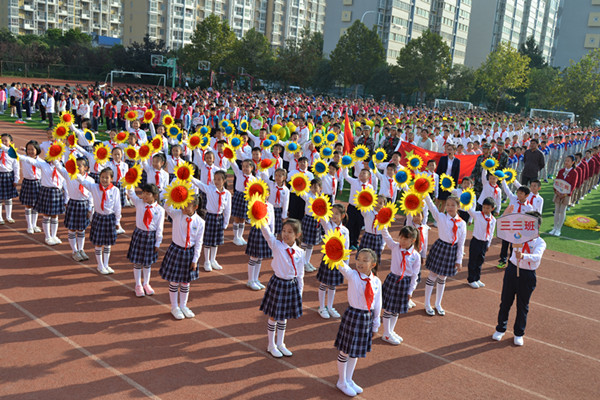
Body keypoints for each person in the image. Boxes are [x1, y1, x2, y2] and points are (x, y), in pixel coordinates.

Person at [492, 211, 546, 346]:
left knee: (522, 306)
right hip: (512, 270)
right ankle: (500, 328)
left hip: (527, 275)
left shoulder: (540, 242)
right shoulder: (518, 236)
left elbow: (537, 257)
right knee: (505, 301)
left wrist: (523, 255)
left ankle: (518, 333)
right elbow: (503, 229)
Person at [334, 248, 382, 397]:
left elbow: (378, 302)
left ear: (373, 264)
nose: (360, 262)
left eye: (365, 260)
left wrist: (376, 322)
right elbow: (341, 264)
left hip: (366, 317)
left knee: (355, 351)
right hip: (353, 315)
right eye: (358, 259)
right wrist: (333, 249)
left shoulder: (376, 281)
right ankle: (341, 381)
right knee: (345, 349)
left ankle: (349, 379)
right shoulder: (353, 275)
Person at [259, 219, 305, 358]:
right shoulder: (277, 246)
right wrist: (260, 218)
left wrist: (300, 292)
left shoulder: (300, 252)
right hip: (278, 284)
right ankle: (271, 345)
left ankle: (281, 343)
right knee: (274, 315)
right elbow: (267, 233)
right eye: (284, 231)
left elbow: (300, 274)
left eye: (290, 232)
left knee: (284, 316)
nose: (285, 234)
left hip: (291, 285)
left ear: (297, 235)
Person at [159, 195, 204, 320]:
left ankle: (183, 305)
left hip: (189, 253)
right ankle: (174, 307)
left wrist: (195, 259)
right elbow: (167, 206)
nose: (184, 207)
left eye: (188, 204)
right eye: (183, 203)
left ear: (195, 207)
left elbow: (199, 242)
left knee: (185, 281)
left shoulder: (200, 222)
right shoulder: (177, 214)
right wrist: (175, 194)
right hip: (176, 250)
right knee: (174, 280)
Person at [423, 195, 466, 316]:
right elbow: (431, 206)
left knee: (443, 277)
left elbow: (461, 243)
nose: (450, 207)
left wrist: (459, 260)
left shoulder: (462, 224)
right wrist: (425, 193)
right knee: (432, 275)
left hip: (451, 251)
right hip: (441, 247)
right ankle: (427, 303)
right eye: (448, 205)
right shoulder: (441, 217)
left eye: (453, 205)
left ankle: (438, 304)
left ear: (458, 207)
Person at [380, 226, 421, 345]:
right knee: (388, 309)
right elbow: (386, 235)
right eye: (401, 238)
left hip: (404, 283)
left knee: (396, 310)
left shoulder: (415, 256)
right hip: (393, 280)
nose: (402, 241)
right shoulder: (395, 247)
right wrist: (383, 223)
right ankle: (386, 334)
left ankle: (390, 331)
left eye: (405, 239)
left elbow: (415, 276)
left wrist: (410, 291)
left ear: (413, 240)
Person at [77, 167, 121, 275]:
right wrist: (74, 171)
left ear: (111, 179)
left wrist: (117, 221)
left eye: (107, 178)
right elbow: (82, 181)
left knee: (107, 244)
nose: (104, 180)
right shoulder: (94, 187)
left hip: (109, 218)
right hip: (99, 218)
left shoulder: (115, 190)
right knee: (98, 243)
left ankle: (106, 264)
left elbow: (117, 207)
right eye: (102, 177)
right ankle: (100, 265)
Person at [20, 148, 66, 245]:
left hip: (57, 192)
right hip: (47, 191)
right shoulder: (43, 164)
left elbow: (65, 182)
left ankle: (54, 235)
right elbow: (29, 160)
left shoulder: (62, 167)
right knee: (46, 215)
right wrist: (12, 152)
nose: (55, 158)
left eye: (58, 156)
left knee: (55, 216)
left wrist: (67, 197)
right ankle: (47, 237)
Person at [126, 184, 165, 297]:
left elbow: (160, 227)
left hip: (151, 236)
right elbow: (131, 193)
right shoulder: (139, 203)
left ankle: (146, 284)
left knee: (147, 263)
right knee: (137, 262)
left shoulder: (160, 210)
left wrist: (158, 242)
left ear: (155, 196)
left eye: (148, 194)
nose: (145, 196)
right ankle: (138, 285)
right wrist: (130, 182)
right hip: (139, 234)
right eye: (143, 193)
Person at [191, 171, 232, 272]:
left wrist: (226, 222)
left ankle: (213, 260)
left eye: (219, 179)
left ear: (224, 180)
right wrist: (189, 176)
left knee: (216, 241)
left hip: (219, 218)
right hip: (210, 217)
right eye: (215, 179)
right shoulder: (210, 189)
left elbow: (228, 209)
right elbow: (199, 184)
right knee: (208, 241)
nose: (216, 181)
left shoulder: (227, 194)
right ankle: (207, 261)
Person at [56, 156, 94, 261]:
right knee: (72, 229)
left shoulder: (90, 180)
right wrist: (55, 157)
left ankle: (81, 249)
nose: (77, 168)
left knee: (81, 229)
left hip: (84, 205)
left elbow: (91, 195)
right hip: (73, 203)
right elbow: (59, 167)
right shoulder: (69, 175)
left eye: (80, 166)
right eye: (75, 166)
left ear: (86, 168)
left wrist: (90, 208)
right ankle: (74, 251)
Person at [316, 204, 349, 319]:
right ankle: (321, 307)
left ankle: (330, 307)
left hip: (338, 261)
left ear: (343, 216)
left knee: (333, 285)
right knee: (324, 283)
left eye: (336, 213)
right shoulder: (328, 225)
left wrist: (346, 266)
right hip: (328, 259)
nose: (333, 215)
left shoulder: (345, 231)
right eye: (332, 213)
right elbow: (323, 216)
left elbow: (346, 248)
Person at [498, 180, 533, 268]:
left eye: (521, 193)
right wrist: (503, 181)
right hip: (508, 226)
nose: (518, 195)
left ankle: (511, 261)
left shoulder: (529, 207)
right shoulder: (513, 199)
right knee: (505, 245)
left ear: (527, 195)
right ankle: (502, 260)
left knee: (513, 247)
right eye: (518, 193)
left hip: (518, 230)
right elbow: (506, 190)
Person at [466, 197, 497, 288]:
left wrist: (488, 243)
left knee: (480, 261)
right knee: (473, 261)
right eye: (484, 207)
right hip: (476, 241)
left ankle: (477, 278)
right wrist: (465, 199)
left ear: (492, 208)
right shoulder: (478, 215)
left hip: (484, 243)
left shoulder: (493, 220)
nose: (485, 210)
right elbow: (469, 210)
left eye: (488, 208)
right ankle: (471, 279)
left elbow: (491, 233)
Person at [551, 155, 579, 237]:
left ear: (572, 162)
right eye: (565, 160)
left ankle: (559, 229)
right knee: (556, 211)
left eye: (568, 161)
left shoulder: (574, 172)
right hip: (558, 193)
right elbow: (556, 181)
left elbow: (573, 185)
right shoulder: (561, 171)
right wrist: (557, 191)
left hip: (566, 195)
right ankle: (554, 227)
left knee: (562, 211)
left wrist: (565, 194)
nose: (566, 162)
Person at [299, 178, 323, 272]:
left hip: (316, 221)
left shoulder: (322, 198)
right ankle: (302, 262)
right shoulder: (308, 196)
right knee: (305, 242)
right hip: (308, 220)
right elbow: (301, 192)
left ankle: (307, 261)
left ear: (320, 188)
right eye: (312, 187)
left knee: (311, 243)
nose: (313, 189)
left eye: (316, 187)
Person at [19, 140, 42, 233]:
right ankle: (29, 226)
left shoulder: (41, 161)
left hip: (38, 183)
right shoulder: (24, 158)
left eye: (32, 149)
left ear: (37, 150)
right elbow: (13, 154)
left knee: (36, 205)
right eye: (28, 149)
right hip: (28, 183)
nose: (30, 151)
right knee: (28, 205)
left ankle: (34, 224)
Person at [230, 159, 254, 246]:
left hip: (246, 198)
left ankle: (240, 236)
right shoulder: (239, 173)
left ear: (251, 168)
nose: (244, 168)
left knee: (243, 218)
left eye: (247, 166)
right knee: (236, 217)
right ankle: (235, 237)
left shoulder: (253, 179)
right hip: (238, 196)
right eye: (243, 166)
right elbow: (233, 163)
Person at [0, 134, 20, 224]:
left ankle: (9, 216)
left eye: (6, 141)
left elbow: (16, 167)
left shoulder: (13, 153)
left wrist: (16, 179)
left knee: (9, 198)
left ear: (11, 142)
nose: (3, 142)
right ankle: (0, 217)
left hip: (9, 176)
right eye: (2, 140)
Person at [436, 144, 461, 211]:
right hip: (441, 181)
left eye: (450, 149)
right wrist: (436, 181)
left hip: (449, 184)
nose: (448, 151)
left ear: (454, 151)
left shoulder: (457, 161)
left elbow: (456, 174)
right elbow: (438, 170)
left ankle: (441, 214)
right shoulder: (443, 159)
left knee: (445, 200)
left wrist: (454, 187)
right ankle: (435, 214)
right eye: (448, 149)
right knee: (438, 199)